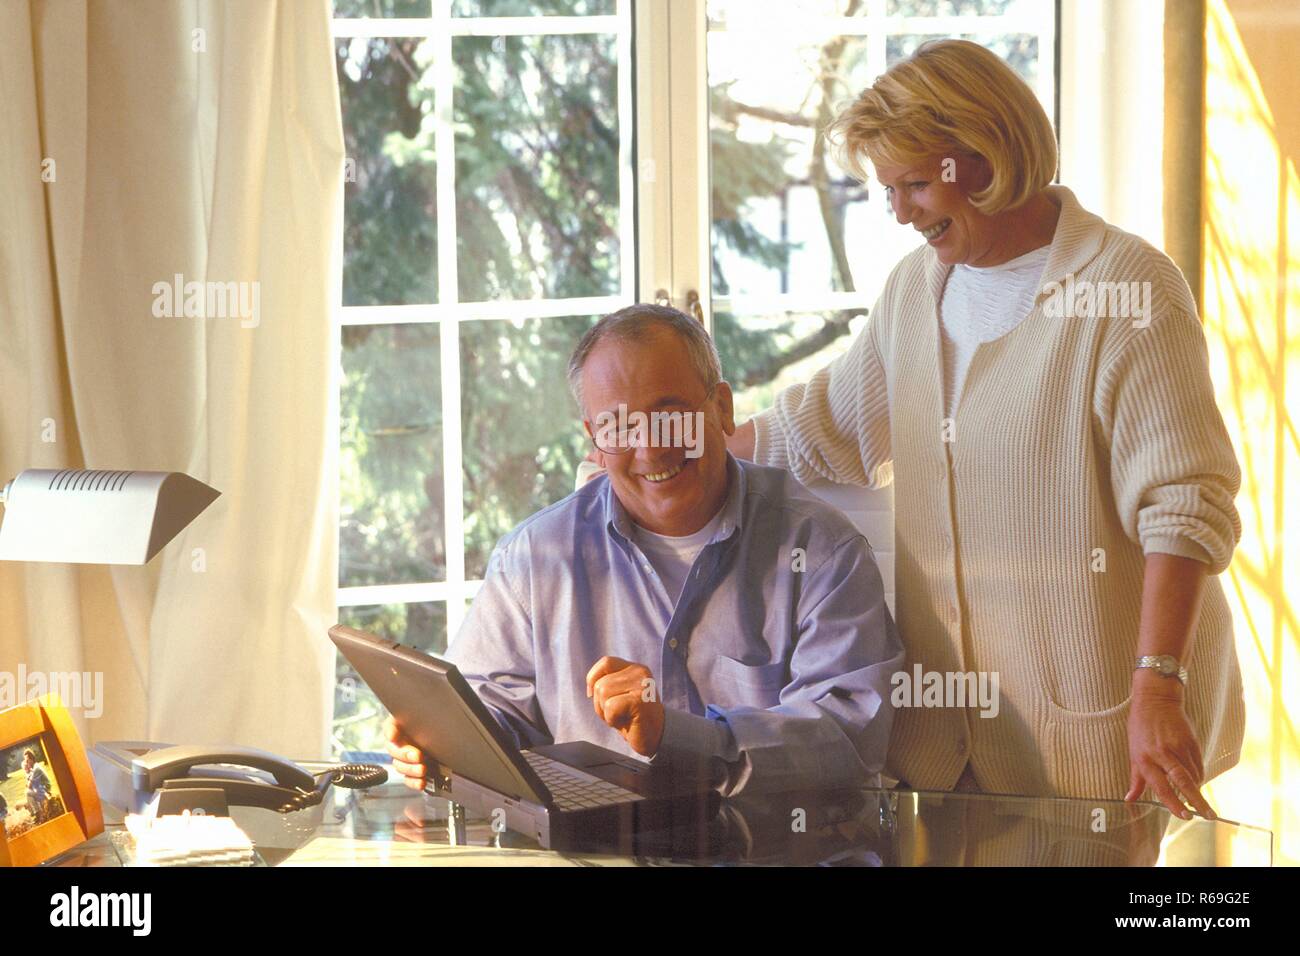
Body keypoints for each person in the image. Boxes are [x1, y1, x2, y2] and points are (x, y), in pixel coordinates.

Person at [727, 39, 1244, 819]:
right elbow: (821, 427)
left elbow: (1185, 508)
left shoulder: (1126, 291)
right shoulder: (916, 292)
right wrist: (673, 443)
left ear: (983, 153)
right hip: (945, 746)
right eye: (887, 190)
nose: (899, 212)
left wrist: (1157, 684)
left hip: (1098, 742)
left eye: (910, 184)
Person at [387, 304, 903, 797]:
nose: (652, 448)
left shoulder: (823, 551)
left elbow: (848, 738)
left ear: (722, 408)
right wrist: (442, 746)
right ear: (593, 438)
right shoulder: (533, 559)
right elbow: (492, 716)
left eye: (670, 414)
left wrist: (679, 736)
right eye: (619, 426)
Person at [23, 750, 52, 823]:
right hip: (41, 789)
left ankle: (38, 813)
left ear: (31, 759)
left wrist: (28, 773)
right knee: (29, 794)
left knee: (27, 793)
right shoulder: (34, 768)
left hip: (45, 790)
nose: (26, 762)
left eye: (27, 760)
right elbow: (31, 784)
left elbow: (29, 785)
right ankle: (36, 813)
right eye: (25, 760)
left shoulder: (36, 769)